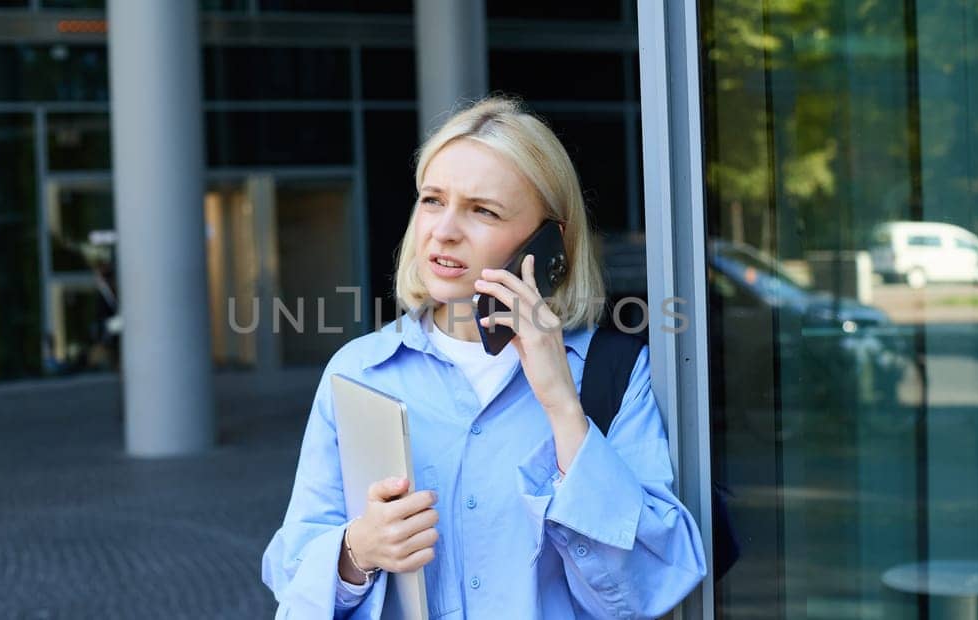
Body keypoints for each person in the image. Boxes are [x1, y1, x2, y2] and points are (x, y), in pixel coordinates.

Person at [260, 96, 706, 619]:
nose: (444, 230)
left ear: (548, 243)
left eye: (483, 210)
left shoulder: (614, 375)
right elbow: (290, 575)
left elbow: (649, 587)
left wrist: (563, 406)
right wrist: (356, 551)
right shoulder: (358, 372)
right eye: (432, 200)